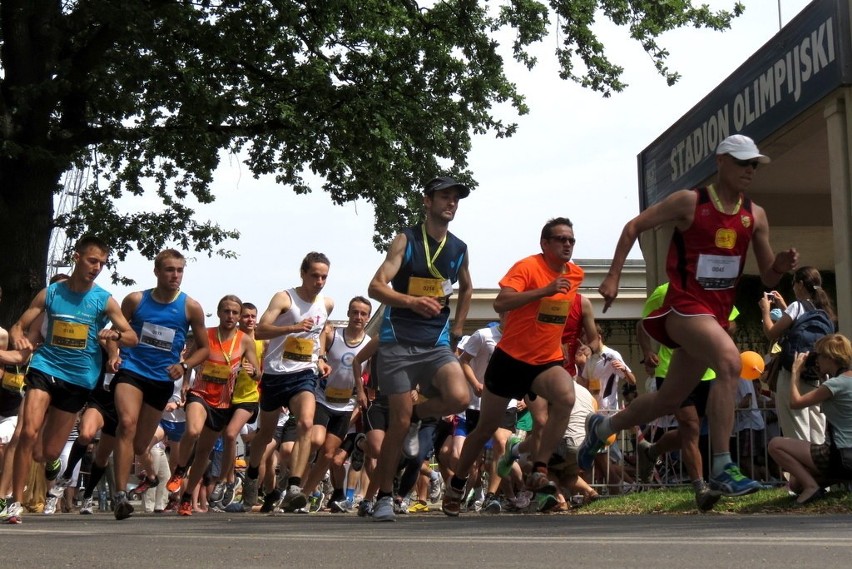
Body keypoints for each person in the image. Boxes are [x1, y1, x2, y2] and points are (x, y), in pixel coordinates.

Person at [581, 134, 798, 497]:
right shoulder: (689, 202)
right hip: (682, 307)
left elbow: (768, 275)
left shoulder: (754, 215)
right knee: (730, 362)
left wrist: (780, 264)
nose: (749, 170)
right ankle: (723, 466)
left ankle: (601, 429)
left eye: (754, 164)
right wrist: (614, 275)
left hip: (711, 316)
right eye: (743, 162)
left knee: (668, 400)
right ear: (721, 162)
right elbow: (634, 226)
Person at [445, 217, 583, 517]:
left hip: (545, 361)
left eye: (571, 239)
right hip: (510, 360)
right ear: (545, 243)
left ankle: (540, 469)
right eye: (560, 239)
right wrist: (544, 291)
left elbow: (558, 316)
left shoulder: (576, 275)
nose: (567, 244)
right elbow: (500, 303)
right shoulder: (528, 267)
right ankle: (456, 484)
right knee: (485, 429)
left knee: (566, 398)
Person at [3, 235, 138, 524]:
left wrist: (113, 335)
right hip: (45, 366)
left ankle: (50, 460)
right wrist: (17, 336)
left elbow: (131, 336)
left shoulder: (103, 299)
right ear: (77, 257)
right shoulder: (50, 293)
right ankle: (15, 502)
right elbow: (19, 326)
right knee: (26, 432)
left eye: (102, 263)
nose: (97, 267)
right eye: (92, 260)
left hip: (79, 377)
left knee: (47, 451)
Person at [366, 176, 473, 521]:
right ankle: (385, 496)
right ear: (427, 201)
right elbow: (375, 287)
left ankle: (418, 416)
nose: (451, 203)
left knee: (460, 397)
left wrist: (457, 327)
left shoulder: (459, 248)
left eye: (455, 198)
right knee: (396, 424)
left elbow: (467, 287)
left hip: (436, 343)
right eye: (444, 197)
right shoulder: (405, 240)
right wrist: (411, 302)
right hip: (398, 341)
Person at [110, 248, 209, 520]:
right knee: (126, 424)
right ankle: (120, 495)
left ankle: (144, 475)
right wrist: (113, 354)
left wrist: (185, 365)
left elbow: (204, 349)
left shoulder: (190, 307)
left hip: (162, 378)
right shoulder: (135, 300)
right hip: (132, 370)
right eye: (169, 269)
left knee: (141, 444)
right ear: (156, 271)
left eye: (179, 270)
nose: (175, 275)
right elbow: (113, 332)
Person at [241, 252, 334, 512]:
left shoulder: (326, 304)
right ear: (303, 273)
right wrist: (291, 328)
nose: (319, 281)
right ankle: (251, 475)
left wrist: (321, 357)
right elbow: (259, 330)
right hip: (275, 374)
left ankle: (294, 485)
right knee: (266, 435)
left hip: (303, 373)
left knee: (306, 422)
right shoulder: (285, 298)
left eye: (324, 276)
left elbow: (319, 334)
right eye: (314, 275)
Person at [635, 281, 739, 511]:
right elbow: (643, 324)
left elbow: (731, 322)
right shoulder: (663, 291)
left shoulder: (714, 288)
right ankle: (700, 489)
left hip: (707, 370)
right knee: (690, 427)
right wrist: (647, 351)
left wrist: (713, 332)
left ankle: (651, 451)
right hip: (671, 370)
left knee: (688, 432)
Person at [167, 295, 259, 516]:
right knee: (192, 430)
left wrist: (252, 371)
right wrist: (186, 384)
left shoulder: (245, 340)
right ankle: (180, 468)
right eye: (226, 311)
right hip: (200, 394)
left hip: (223, 402)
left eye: (234, 313)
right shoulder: (206, 335)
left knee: (204, 452)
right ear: (218, 313)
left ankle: (187, 498)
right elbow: (188, 360)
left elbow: (258, 373)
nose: (230, 316)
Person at [297, 296, 372, 513]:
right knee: (315, 440)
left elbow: (367, 377)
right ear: (348, 313)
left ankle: (304, 496)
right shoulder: (333, 334)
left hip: (346, 406)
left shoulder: (369, 344)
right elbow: (321, 332)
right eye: (354, 312)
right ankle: (294, 484)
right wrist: (321, 356)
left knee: (329, 455)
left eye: (363, 313)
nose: (358, 317)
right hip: (323, 399)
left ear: (368, 317)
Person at [768, 334, 852, 504]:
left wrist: (795, 372)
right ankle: (843, 480)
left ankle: (812, 488)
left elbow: (795, 402)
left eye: (819, 355)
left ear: (830, 357)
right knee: (795, 484)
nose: (817, 360)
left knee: (775, 444)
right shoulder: (840, 382)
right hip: (846, 457)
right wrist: (822, 379)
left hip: (841, 457)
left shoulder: (834, 385)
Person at [760, 266, 835, 443]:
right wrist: (783, 307)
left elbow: (772, 333)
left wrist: (765, 310)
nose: (793, 287)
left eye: (794, 283)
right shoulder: (824, 311)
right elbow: (798, 327)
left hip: (792, 374)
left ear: (800, 284)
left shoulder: (797, 306)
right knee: (817, 430)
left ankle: (800, 469)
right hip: (815, 375)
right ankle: (818, 468)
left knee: (796, 430)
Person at [209, 302, 264, 507]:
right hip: (227, 397)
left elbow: (262, 373)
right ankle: (231, 480)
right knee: (226, 439)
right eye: (246, 316)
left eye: (253, 316)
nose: (250, 320)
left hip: (249, 398)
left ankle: (224, 481)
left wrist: (254, 373)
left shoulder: (260, 342)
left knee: (231, 433)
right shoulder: (233, 339)